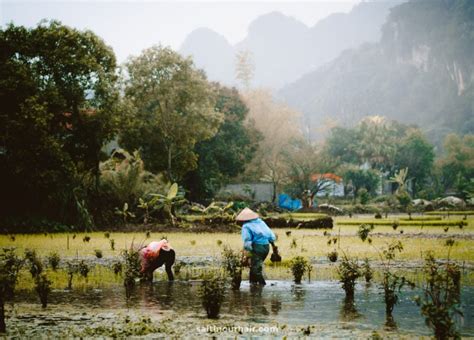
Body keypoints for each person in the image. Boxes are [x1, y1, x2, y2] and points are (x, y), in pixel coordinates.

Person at [236, 208, 277, 285]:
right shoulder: (261, 222)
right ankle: (252, 284)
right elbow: (271, 236)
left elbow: (247, 242)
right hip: (266, 247)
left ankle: (262, 284)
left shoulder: (246, 226)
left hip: (257, 248)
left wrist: (246, 256)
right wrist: (274, 248)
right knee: (254, 265)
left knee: (255, 269)